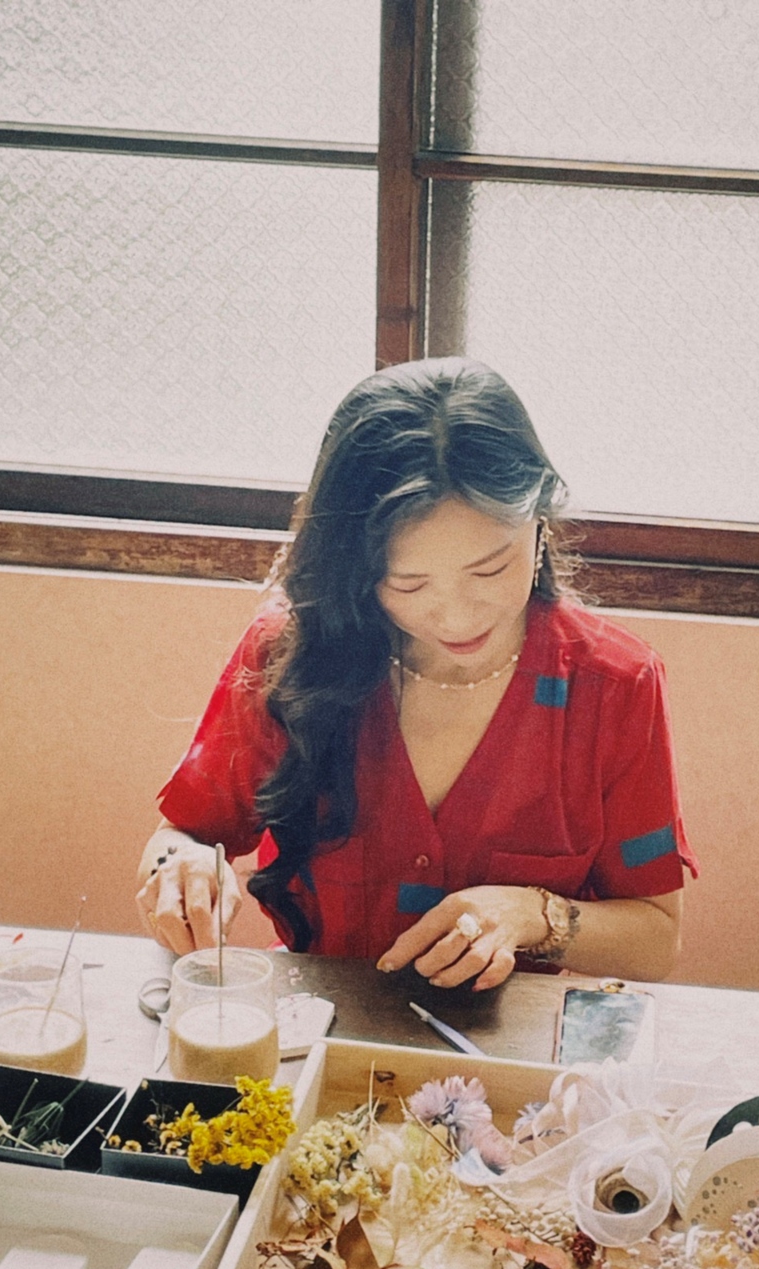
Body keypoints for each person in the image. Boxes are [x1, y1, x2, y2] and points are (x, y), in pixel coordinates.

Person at [137, 358, 694, 990]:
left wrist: (531, 914)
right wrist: (179, 867)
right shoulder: (289, 655)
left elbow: (655, 940)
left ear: (539, 524)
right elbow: (182, 834)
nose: (457, 616)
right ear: (356, 568)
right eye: (408, 583)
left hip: (511, 1034)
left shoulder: (615, 685)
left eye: (490, 569)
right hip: (318, 1017)